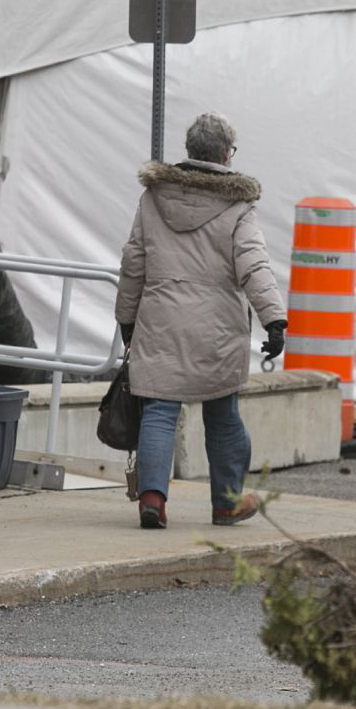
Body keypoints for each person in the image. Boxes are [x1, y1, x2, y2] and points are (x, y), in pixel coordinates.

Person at [114, 113, 288, 530]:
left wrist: (126, 318)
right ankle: (226, 503)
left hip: (160, 321)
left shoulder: (154, 197)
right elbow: (254, 266)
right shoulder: (238, 205)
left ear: (190, 150)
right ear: (226, 154)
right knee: (223, 413)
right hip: (217, 328)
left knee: (158, 409)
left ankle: (152, 499)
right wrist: (274, 320)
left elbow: (133, 261)